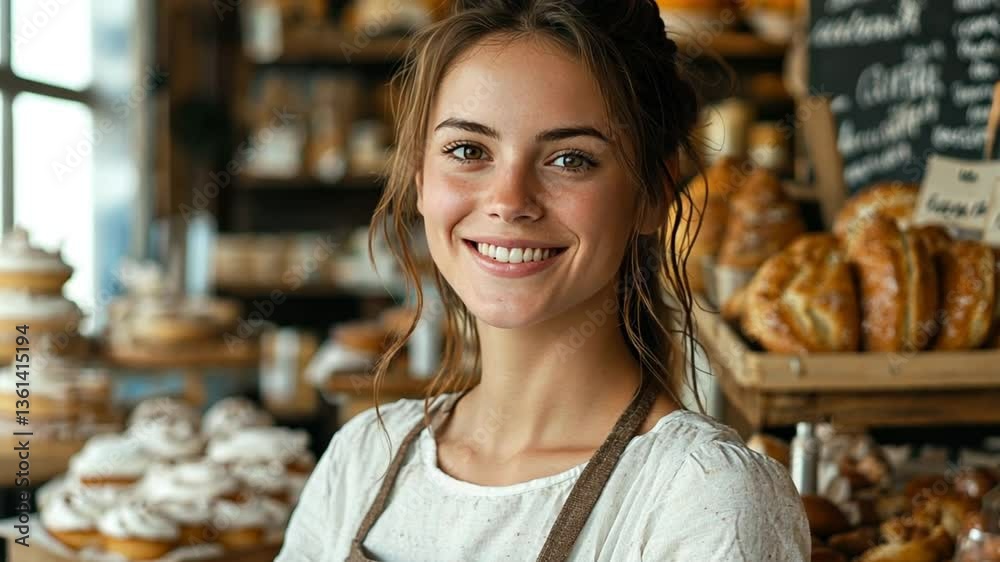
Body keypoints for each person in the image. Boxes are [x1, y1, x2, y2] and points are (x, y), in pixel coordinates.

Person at [277, 1, 810, 560]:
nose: (509, 201)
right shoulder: (363, 460)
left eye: (570, 159)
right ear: (419, 179)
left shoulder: (699, 496)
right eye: (467, 150)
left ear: (652, 195)